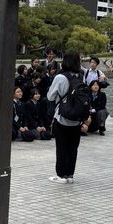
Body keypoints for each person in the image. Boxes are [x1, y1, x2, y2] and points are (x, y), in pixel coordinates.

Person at [46, 51, 85, 183]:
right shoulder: (81, 76)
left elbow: (50, 96)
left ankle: (61, 175)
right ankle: (70, 174)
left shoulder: (61, 77)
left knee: (61, 147)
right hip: (77, 118)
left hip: (62, 116)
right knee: (73, 148)